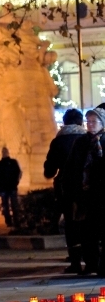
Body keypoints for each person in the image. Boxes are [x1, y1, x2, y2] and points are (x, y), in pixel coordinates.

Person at [62, 107, 105, 276]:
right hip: (84, 195)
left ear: (102, 123)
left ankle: (103, 266)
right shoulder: (80, 142)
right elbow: (71, 168)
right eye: (88, 121)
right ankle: (91, 264)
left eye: (94, 121)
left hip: (102, 194)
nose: (90, 124)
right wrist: (70, 191)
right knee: (87, 232)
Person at [44, 109, 86, 273]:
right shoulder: (87, 138)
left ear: (65, 122)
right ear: (81, 122)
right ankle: (89, 257)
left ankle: (75, 261)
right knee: (86, 222)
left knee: (70, 223)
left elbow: (50, 169)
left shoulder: (58, 141)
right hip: (85, 186)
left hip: (66, 187)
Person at [0, 147, 22, 228]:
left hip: (12, 187)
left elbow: (18, 173)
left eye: (5, 151)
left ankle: (16, 221)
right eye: (3, 151)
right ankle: (9, 221)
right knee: (6, 206)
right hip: (4, 188)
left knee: (14, 205)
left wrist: (16, 182)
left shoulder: (13, 162)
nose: (4, 153)